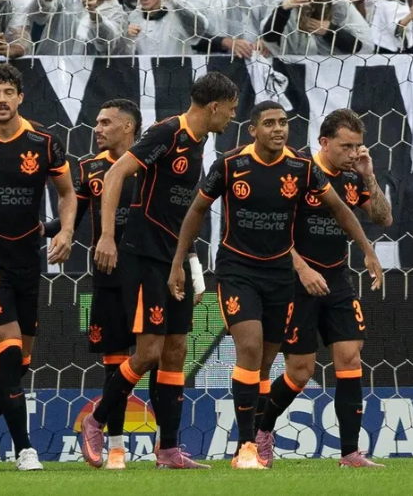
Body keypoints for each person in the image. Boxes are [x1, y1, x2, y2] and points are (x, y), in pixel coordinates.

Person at [167, 101, 383, 469]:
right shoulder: (232, 164)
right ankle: (249, 443)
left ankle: (347, 453)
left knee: (321, 358)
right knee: (267, 355)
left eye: (283, 122)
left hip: (300, 277)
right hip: (248, 271)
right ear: (253, 130)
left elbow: (348, 211)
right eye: (269, 123)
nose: (278, 128)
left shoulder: (301, 168)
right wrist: (179, 262)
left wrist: (368, 250)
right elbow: (197, 211)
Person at [81, 73, 238, 470]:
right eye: (231, 109)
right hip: (144, 254)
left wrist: (187, 262)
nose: (232, 117)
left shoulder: (199, 142)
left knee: (176, 351)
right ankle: (96, 421)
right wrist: (107, 237)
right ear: (215, 107)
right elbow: (115, 174)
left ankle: (168, 449)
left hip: (173, 258)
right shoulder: (167, 132)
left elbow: (181, 212)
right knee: (149, 352)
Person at [256, 109, 392, 468]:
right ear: (324, 142)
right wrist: (302, 270)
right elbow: (273, 230)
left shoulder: (353, 175)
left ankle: (350, 453)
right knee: (300, 371)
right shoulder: (298, 171)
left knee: (350, 358)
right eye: (346, 146)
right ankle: (262, 431)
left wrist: (369, 175)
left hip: (336, 279)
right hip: (296, 281)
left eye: (357, 146)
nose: (353, 153)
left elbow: (383, 218)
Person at [0, 63, 77, 470]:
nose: (2, 99)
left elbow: (67, 194)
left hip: (28, 256)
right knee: (8, 355)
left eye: (8, 92)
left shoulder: (44, 141)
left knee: (21, 362)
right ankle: (25, 449)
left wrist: (66, 231)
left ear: (21, 97)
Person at [43, 99, 141, 469]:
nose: (96, 129)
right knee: (115, 361)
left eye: (105, 123)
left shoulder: (150, 164)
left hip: (150, 273)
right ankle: (116, 446)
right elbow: (71, 216)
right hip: (108, 275)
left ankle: (168, 446)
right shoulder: (91, 168)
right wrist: (38, 230)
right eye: (96, 122)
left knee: (160, 356)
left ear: (128, 127)